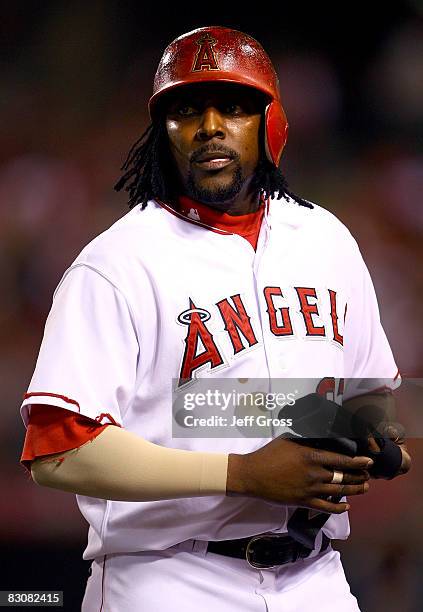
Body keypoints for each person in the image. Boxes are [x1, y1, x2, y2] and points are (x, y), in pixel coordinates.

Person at [20, 26, 411, 611]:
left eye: (232, 106)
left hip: (317, 578)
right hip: (168, 576)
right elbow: (58, 451)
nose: (208, 126)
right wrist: (243, 474)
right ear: (162, 132)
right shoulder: (116, 262)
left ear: (271, 124)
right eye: (185, 109)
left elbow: (370, 391)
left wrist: (373, 439)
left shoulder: (327, 239)